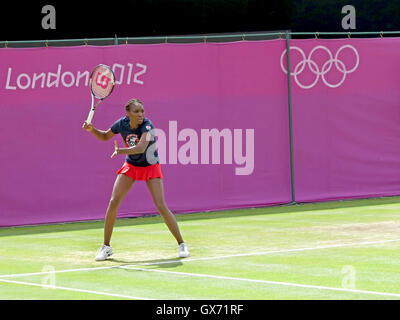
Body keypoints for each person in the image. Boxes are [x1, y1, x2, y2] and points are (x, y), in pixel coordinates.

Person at [82, 98, 189, 261]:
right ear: (128, 113)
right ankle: (106, 247)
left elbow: (140, 148)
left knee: (161, 205)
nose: (140, 115)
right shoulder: (121, 124)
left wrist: (120, 151)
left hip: (150, 165)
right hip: (131, 166)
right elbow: (104, 136)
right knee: (113, 201)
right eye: (136, 111)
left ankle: (181, 244)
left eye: (142, 111)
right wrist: (91, 129)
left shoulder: (147, 125)